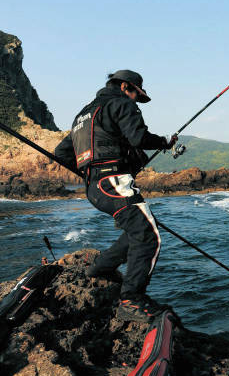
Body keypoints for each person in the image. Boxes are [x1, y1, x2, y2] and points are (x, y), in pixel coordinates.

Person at [55, 70, 177, 322]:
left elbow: (62, 153)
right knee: (148, 236)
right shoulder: (121, 103)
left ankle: (100, 269)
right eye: (135, 94)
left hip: (94, 188)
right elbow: (138, 137)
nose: (135, 100)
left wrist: (91, 168)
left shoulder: (83, 115)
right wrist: (165, 141)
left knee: (136, 230)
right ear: (125, 87)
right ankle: (131, 300)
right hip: (113, 182)